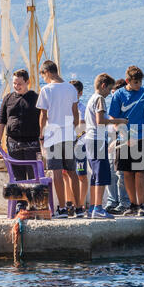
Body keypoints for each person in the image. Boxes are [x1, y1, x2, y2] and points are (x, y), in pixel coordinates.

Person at [109, 65, 144, 217]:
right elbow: (114, 119)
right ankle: (132, 204)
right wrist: (125, 136)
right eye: (135, 83)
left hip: (141, 137)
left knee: (140, 172)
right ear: (128, 80)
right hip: (124, 139)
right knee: (127, 173)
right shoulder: (118, 95)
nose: (138, 85)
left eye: (140, 82)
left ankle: (141, 205)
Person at [36, 60, 83, 218]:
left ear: (47, 72)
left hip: (53, 135)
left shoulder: (46, 90)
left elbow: (43, 115)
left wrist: (41, 134)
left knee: (56, 172)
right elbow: (75, 113)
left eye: (43, 75)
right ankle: (79, 208)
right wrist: (75, 131)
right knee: (72, 171)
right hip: (69, 135)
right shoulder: (71, 88)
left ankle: (62, 208)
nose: (43, 78)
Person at [85, 73, 128, 219]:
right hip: (97, 140)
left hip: (89, 140)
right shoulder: (100, 99)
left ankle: (92, 208)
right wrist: (119, 121)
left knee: (95, 175)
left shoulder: (91, 98)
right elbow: (100, 121)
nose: (110, 93)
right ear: (103, 86)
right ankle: (98, 208)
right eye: (109, 89)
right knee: (102, 175)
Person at [0, 69, 40, 212]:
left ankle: (33, 203)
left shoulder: (36, 98)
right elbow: (2, 121)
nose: (16, 86)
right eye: (14, 83)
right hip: (13, 142)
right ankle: (20, 205)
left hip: (32, 143)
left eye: (19, 83)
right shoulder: (8, 98)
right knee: (18, 175)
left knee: (33, 174)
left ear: (27, 82)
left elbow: (44, 118)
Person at [62, 80, 88, 216]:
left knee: (81, 175)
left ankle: (81, 203)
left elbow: (80, 127)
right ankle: (69, 203)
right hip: (67, 143)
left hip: (79, 145)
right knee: (65, 174)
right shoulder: (64, 108)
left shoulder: (82, 108)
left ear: (80, 93)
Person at [105, 79, 130, 215]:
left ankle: (124, 202)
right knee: (110, 173)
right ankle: (112, 201)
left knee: (121, 174)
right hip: (111, 143)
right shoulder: (113, 106)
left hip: (121, 143)